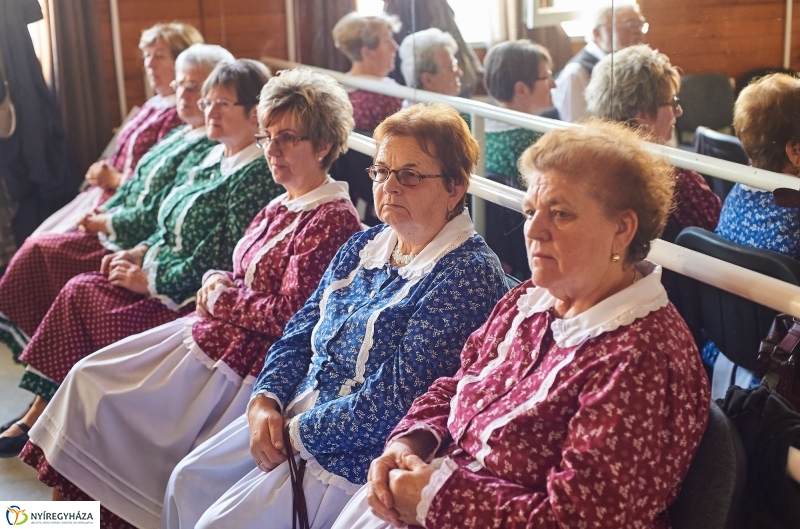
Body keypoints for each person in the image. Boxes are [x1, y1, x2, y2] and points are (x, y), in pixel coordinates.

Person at [20, 67, 364, 528]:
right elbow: (241, 266)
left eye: (288, 138)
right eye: (267, 138)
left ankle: (68, 519)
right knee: (84, 382)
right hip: (209, 332)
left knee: (102, 400)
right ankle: (56, 521)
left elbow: (296, 316)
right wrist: (217, 277)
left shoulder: (331, 218)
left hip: (243, 362)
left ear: (324, 145)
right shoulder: (282, 201)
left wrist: (221, 299)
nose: (273, 151)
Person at [332, 120, 710, 529]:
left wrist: (433, 498)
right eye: (531, 211)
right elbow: (458, 383)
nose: (534, 229)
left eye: (561, 214)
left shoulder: (643, 359)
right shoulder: (531, 299)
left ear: (622, 229)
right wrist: (410, 441)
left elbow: (580, 521)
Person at [160, 103, 509, 529]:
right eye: (381, 171)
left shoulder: (466, 274)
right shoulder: (366, 244)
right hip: (294, 411)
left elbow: (395, 400)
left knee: (218, 523)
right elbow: (299, 330)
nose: (390, 186)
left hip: (351, 452)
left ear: (455, 187)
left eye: (410, 175)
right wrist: (265, 400)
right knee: (187, 482)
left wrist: (293, 433)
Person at [0, 59, 281, 458]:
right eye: (208, 102)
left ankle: (48, 422)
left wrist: (150, 280)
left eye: (222, 104)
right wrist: (140, 250)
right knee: (78, 286)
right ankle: (44, 416)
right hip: (157, 267)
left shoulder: (255, 175)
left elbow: (224, 258)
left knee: (81, 294)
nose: (209, 112)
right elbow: (166, 220)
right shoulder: (214, 156)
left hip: (183, 299)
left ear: (254, 113)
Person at [0, 44, 233, 363]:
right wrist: (107, 212)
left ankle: (49, 367)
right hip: (130, 236)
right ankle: (42, 360)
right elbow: (137, 184)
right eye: (181, 84)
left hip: (138, 245)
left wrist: (112, 227)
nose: (184, 93)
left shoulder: (211, 147)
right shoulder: (182, 133)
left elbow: (158, 214)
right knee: (38, 252)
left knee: (45, 259)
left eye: (195, 87)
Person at [32, 22, 204, 235]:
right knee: (38, 236)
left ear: (182, 63)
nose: (149, 64)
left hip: (128, 204)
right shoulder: (152, 105)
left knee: (42, 246)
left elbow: (162, 180)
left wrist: (113, 178)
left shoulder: (181, 116)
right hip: (104, 192)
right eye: (147, 55)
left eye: (159, 56)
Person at [701, 73, 800, 398]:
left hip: (728, 354)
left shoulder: (737, 195)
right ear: (795, 152)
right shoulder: (794, 220)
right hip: (785, 372)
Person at [585, 44, 722, 240]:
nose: (678, 111)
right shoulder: (678, 179)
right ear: (641, 115)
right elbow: (718, 235)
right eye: (672, 102)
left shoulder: (589, 162)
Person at [481, 40, 554, 279]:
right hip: (535, 241)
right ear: (522, 89)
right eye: (547, 77)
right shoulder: (538, 142)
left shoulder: (479, 128)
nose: (553, 84)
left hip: (500, 248)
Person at [330, 12, 403, 223]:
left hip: (361, 194)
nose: (394, 47)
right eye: (387, 39)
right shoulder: (385, 96)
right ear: (367, 51)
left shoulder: (341, 89)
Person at [553, 4, 647, 123]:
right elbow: (580, 130)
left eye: (640, 25)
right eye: (630, 25)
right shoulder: (577, 73)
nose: (638, 32)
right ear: (597, 33)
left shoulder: (634, 66)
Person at [397, 28, 462, 105]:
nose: (459, 73)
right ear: (427, 80)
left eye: (455, 63)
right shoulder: (419, 115)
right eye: (452, 67)